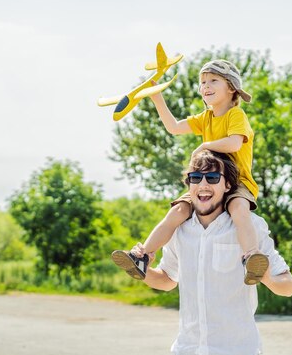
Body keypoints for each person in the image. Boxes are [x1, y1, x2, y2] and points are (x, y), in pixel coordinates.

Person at [128, 150, 292, 355]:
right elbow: (168, 279)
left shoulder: (249, 226)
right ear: (189, 185)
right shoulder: (179, 230)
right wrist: (143, 271)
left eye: (212, 177)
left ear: (228, 185)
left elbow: (287, 285)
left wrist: (263, 276)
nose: (203, 184)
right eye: (196, 177)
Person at [112, 59, 270, 285]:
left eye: (213, 80)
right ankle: (143, 256)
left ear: (231, 87)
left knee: (239, 209)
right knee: (177, 212)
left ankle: (251, 258)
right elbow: (174, 127)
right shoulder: (205, 118)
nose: (206, 86)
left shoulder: (235, 115)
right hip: (208, 181)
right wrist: (157, 97)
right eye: (203, 81)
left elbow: (235, 143)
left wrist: (205, 146)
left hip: (237, 182)